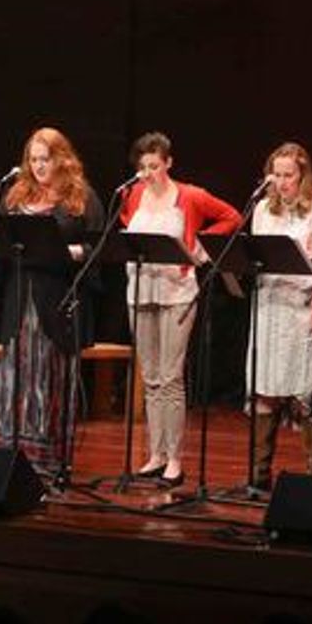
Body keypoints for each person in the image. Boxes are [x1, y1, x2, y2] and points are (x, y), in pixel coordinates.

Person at [118, 131, 242, 487]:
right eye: (142, 167)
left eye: (154, 166)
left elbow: (231, 217)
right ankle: (155, 454)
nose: (147, 173)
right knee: (151, 376)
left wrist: (199, 252)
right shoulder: (133, 194)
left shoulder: (189, 195)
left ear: (168, 163)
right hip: (140, 293)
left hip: (177, 294)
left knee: (171, 377)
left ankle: (174, 458)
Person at [0, 127, 104, 472]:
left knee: (48, 376)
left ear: (62, 158)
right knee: (16, 373)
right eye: (34, 159)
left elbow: (100, 248)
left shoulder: (80, 196)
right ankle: (11, 457)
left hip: (57, 299)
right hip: (19, 294)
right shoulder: (15, 195)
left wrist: (73, 251)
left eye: (46, 159)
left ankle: (47, 461)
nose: (39, 166)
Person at [247, 141, 312, 488]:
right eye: (277, 175)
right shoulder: (262, 211)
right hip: (269, 307)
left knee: (305, 389)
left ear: (303, 177)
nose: (282, 182)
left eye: (289, 175)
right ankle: (259, 474)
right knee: (266, 388)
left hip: (300, 310)